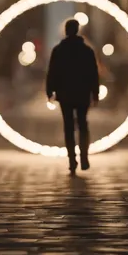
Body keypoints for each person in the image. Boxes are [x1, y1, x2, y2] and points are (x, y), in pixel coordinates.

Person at [46, 19, 99, 173]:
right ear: (77, 30)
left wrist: (50, 91)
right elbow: (93, 74)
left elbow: (52, 72)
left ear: (66, 31)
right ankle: (84, 156)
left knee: (68, 126)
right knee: (83, 124)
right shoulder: (87, 51)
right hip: (82, 93)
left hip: (65, 94)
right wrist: (94, 93)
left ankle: (72, 160)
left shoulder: (58, 50)